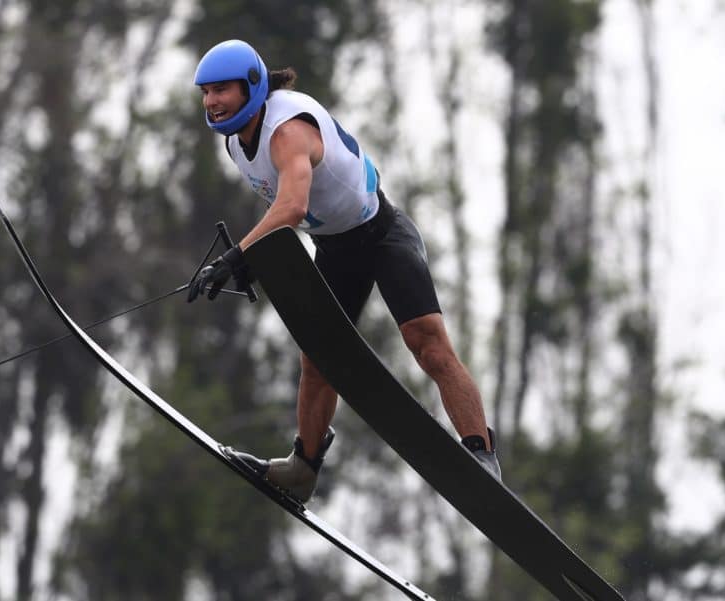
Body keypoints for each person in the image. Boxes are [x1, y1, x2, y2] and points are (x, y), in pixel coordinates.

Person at [187, 39, 500, 503]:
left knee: (427, 342)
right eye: (206, 92)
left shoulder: (287, 129)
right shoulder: (237, 143)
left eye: (222, 91)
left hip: (383, 235)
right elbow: (286, 208)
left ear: (252, 86)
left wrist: (239, 256)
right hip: (335, 249)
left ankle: (481, 457)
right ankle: (302, 469)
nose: (212, 102)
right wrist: (256, 260)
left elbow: (291, 207)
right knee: (318, 362)